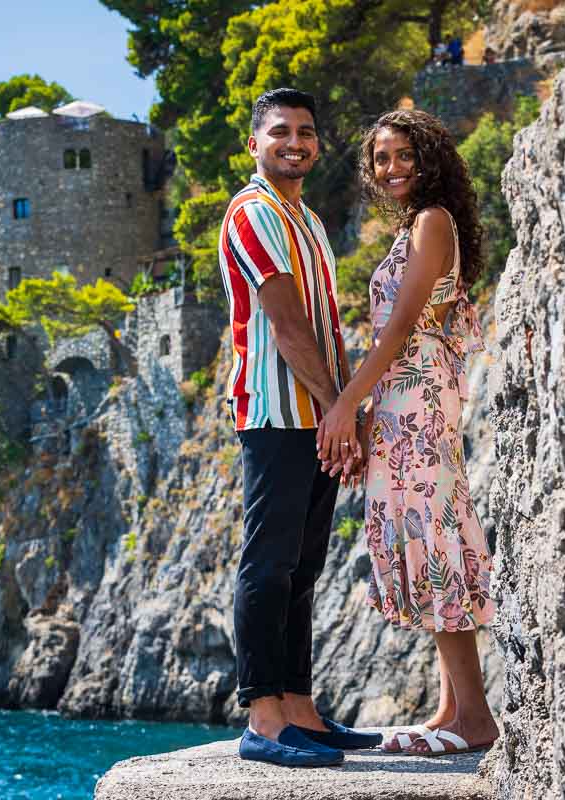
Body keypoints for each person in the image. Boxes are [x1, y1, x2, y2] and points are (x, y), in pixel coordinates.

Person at [316, 108, 499, 756]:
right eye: (380, 158)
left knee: (435, 534)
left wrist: (344, 407)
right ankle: (452, 707)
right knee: (422, 536)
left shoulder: (433, 221)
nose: (390, 168)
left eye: (402, 155)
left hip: (419, 400)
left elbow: (398, 330)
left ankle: (474, 717)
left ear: (428, 158)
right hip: (401, 400)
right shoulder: (416, 227)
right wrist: (367, 410)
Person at [217, 87, 382, 768]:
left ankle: (302, 710)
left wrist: (341, 409)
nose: (295, 142)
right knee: (268, 563)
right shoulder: (252, 213)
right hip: (276, 415)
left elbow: (326, 327)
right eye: (280, 132)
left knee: (303, 567)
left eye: (307, 132)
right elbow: (285, 325)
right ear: (254, 144)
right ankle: (262, 719)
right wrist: (339, 407)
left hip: (318, 413)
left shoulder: (307, 220)